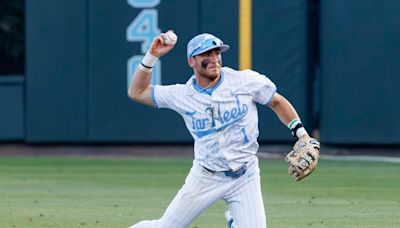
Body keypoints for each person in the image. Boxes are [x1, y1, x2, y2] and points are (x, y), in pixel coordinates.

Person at [128, 31, 318, 228]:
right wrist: (152, 56)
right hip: (206, 176)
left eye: (217, 53)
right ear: (191, 61)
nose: (214, 59)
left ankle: (237, 221)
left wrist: (301, 134)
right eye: (206, 55)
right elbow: (137, 92)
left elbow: (277, 102)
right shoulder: (182, 95)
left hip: (245, 175)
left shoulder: (244, 81)